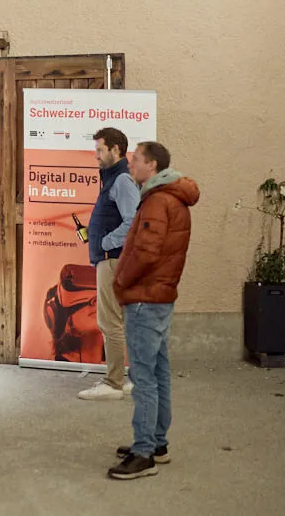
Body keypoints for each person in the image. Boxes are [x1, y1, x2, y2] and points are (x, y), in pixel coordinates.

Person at [108, 142, 199, 480]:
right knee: (158, 371)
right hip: (160, 296)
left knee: (143, 377)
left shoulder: (158, 201)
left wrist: (121, 280)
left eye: (136, 160)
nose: (130, 164)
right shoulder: (170, 197)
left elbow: (145, 253)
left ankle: (144, 452)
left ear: (153, 165)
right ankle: (158, 443)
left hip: (145, 299)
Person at [79, 128, 140, 401]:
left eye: (100, 150)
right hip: (112, 259)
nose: (96, 155)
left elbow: (133, 222)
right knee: (119, 321)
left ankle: (113, 383)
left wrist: (104, 242)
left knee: (110, 321)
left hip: (112, 260)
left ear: (116, 150)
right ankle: (129, 380)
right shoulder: (115, 179)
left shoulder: (122, 180)